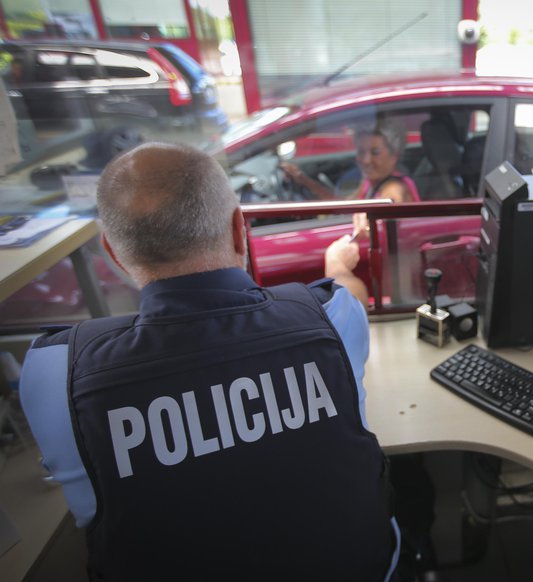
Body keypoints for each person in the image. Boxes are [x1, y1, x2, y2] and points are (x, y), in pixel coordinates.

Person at [18, 142, 398, 581]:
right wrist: (339, 269)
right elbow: (351, 297)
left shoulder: (55, 373)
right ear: (240, 230)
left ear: (115, 253)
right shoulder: (333, 316)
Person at [281, 117, 420, 204]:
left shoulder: (393, 188)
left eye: (375, 152)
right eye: (361, 151)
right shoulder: (370, 183)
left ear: (394, 155)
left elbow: (388, 217)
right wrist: (303, 180)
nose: (366, 160)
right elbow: (344, 205)